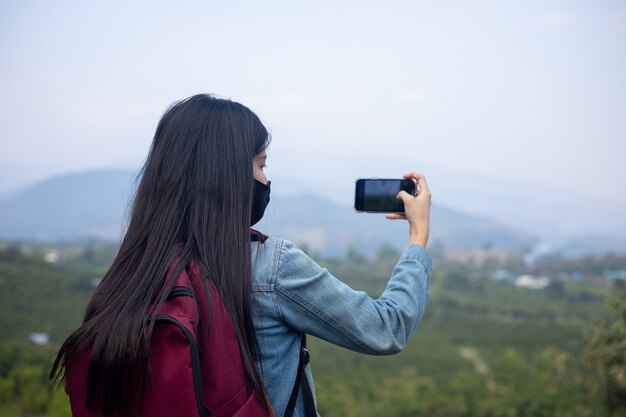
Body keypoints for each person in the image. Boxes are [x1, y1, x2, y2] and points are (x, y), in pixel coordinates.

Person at [51, 94, 432, 417]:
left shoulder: (135, 270)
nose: (266, 179)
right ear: (228, 175)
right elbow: (386, 329)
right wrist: (418, 238)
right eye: (260, 164)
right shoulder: (271, 265)